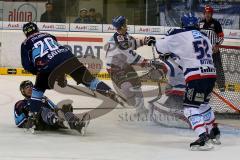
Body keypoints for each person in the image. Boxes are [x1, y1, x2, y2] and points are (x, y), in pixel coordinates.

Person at [21, 22, 114, 132]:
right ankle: (108, 91)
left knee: (37, 90)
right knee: (90, 80)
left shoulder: (25, 43)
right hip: (68, 57)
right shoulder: (48, 35)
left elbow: (27, 65)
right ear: (37, 29)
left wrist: (40, 73)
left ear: (25, 33)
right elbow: (57, 55)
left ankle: (32, 118)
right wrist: (61, 76)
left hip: (47, 63)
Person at [147, 13, 220, 151]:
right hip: (210, 75)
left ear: (183, 24)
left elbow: (159, 47)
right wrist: (174, 56)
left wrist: (153, 41)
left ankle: (203, 138)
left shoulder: (179, 34)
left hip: (196, 77)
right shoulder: (205, 38)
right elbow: (192, 57)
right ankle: (214, 132)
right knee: (203, 105)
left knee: (190, 108)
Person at [105, 16, 164, 115]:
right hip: (114, 68)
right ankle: (126, 99)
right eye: (125, 23)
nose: (127, 25)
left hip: (124, 65)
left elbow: (133, 43)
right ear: (122, 26)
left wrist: (146, 40)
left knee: (136, 85)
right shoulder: (119, 40)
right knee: (127, 87)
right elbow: (131, 56)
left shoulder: (124, 36)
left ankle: (141, 110)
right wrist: (148, 63)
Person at [199, 5, 225, 91]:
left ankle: (221, 86)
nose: (208, 14)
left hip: (214, 51)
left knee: (218, 67)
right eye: (206, 13)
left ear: (212, 14)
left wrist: (217, 45)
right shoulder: (200, 23)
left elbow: (221, 37)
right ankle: (204, 83)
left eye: (209, 13)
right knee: (203, 67)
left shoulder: (216, 23)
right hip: (204, 52)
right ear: (204, 13)